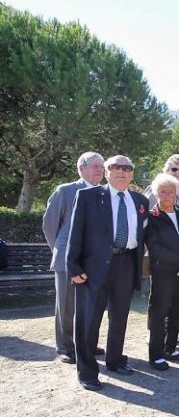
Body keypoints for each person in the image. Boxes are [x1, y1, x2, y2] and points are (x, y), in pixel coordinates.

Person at [66, 155, 149, 390]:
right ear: (107, 171)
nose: (121, 171)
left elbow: (143, 234)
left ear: (132, 173)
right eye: (115, 167)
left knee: (120, 316)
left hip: (126, 263)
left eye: (127, 167)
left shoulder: (140, 200)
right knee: (89, 319)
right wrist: (73, 266)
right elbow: (76, 233)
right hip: (93, 268)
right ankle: (87, 372)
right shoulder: (88, 196)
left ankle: (115, 360)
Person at [43, 151, 105, 364]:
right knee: (66, 305)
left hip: (94, 262)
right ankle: (66, 347)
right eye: (95, 165)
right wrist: (61, 251)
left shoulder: (105, 193)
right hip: (67, 261)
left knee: (91, 305)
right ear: (82, 168)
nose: (100, 169)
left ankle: (86, 343)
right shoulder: (66, 191)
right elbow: (50, 225)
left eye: (102, 166)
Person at [145, 173, 179, 371]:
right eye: (162, 191)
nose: (167, 195)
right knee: (159, 313)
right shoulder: (151, 217)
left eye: (171, 191)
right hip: (164, 272)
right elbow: (155, 247)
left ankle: (171, 348)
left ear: (177, 193)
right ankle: (156, 355)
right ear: (156, 193)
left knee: (177, 311)